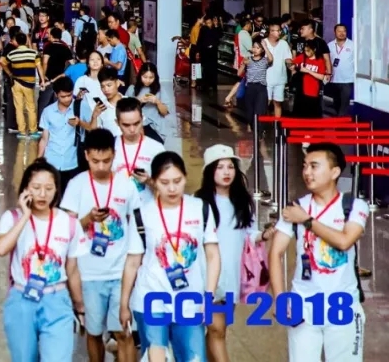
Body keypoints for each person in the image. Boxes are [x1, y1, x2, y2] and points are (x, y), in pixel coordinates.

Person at [270, 142, 367, 361]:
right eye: (305, 166)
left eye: (314, 166)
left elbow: (344, 241)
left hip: (343, 306)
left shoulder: (353, 206)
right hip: (303, 307)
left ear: (334, 172)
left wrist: (305, 220)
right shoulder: (296, 206)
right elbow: (275, 253)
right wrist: (279, 298)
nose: (306, 172)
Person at [120, 152, 221, 362]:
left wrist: (208, 296)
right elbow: (132, 262)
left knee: (194, 358)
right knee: (156, 357)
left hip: (190, 300)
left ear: (185, 177)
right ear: (154, 182)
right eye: (165, 182)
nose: (172, 188)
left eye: (177, 181)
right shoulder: (143, 214)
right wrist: (123, 304)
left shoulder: (200, 209)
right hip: (151, 298)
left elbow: (213, 255)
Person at [58, 129, 139, 362]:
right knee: (93, 333)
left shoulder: (127, 186)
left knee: (123, 332)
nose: (101, 166)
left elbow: (136, 225)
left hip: (120, 273)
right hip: (89, 275)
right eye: (95, 161)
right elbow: (66, 230)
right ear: (86, 156)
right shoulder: (76, 185)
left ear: (114, 155)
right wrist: (88, 220)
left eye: (106, 161)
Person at [0, 159, 89, 362]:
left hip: (57, 300)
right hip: (21, 300)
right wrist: (25, 216)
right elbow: (1, 248)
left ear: (57, 190)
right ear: (25, 189)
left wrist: (80, 306)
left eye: (49, 188)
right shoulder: (11, 218)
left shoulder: (69, 223)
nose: (42, 194)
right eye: (36, 188)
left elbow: (72, 270)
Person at [195, 144, 270, 362]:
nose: (227, 172)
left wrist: (264, 236)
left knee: (220, 331)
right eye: (220, 167)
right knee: (216, 331)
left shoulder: (242, 202)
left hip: (232, 278)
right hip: (207, 277)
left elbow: (249, 233)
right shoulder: (199, 202)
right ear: (210, 171)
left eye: (230, 167)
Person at [112, 97, 165, 206]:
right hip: (118, 214)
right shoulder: (109, 147)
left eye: (136, 123)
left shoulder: (156, 148)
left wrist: (149, 181)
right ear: (117, 122)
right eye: (126, 125)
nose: (132, 129)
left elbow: (168, 189)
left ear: (143, 119)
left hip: (146, 214)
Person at [38, 76, 84, 191]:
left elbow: (92, 128)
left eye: (69, 95)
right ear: (56, 94)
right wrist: (38, 160)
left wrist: (80, 123)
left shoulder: (80, 108)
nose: (67, 99)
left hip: (72, 162)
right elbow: (44, 139)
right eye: (63, 96)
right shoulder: (48, 112)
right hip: (52, 161)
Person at [0, 31, 40, 139]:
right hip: (29, 84)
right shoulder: (33, 53)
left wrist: (9, 73)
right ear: (26, 41)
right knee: (31, 107)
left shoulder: (12, 54)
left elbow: (2, 61)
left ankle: (22, 131)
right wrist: (42, 80)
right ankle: (33, 131)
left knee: (19, 107)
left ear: (16, 42)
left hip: (16, 82)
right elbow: (39, 67)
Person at [125, 63, 168, 144]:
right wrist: (138, 101)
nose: (148, 80)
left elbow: (164, 112)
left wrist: (157, 102)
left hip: (153, 127)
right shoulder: (132, 89)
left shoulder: (160, 90)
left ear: (155, 77)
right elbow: (125, 110)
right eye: (145, 77)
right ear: (140, 75)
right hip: (135, 126)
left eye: (151, 77)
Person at [263, 20, 293, 119]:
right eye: (276, 31)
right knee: (266, 102)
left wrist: (292, 67)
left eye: (279, 30)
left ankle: (277, 124)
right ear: (270, 31)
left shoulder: (284, 44)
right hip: (266, 79)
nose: (279, 33)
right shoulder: (263, 43)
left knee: (278, 103)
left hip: (280, 79)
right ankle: (262, 123)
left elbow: (288, 59)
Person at [293, 40, 329, 118]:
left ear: (314, 50)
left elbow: (322, 76)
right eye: (305, 50)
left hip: (313, 91)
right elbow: (293, 63)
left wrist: (308, 71)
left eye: (308, 51)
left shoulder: (320, 61)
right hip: (301, 91)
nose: (306, 53)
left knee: (311, 113)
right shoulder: (302, 57)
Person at [326, 24, 355, 117]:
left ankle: (342, 125)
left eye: (344, 31)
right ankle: (338, 124)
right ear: (335, 32)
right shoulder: (329, 45)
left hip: (347, 80)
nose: (342, 33)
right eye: (339, 31)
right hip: (334, 79)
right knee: (336, 103)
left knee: (344, 104)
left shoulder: (353, 45)